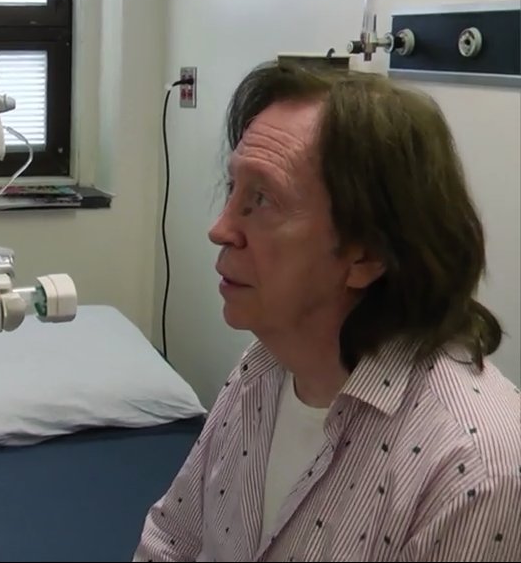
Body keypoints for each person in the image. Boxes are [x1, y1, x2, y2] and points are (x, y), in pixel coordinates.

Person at [135, 62, 521, 562]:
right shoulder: (263, 368)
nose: (221, 228)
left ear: (367, 255)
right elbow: (172, 539)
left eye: (263, 198)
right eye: (233, 190)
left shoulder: (476, 471)